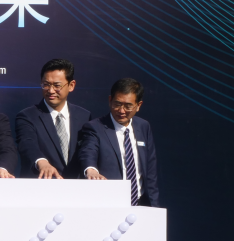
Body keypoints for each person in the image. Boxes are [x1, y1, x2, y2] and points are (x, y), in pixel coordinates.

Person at [78, 78, 159, 207]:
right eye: (117, 104)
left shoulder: (143, 126)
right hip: (109, 204)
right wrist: (91, 170)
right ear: (110, 100)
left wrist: (154, 208)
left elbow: (150, 173)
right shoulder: (95, 127)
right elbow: (88, 151)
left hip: (141, 204)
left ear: (138, 105)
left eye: (128, 106)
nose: (121, 111)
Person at [15, 59, 92, 179]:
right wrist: (42, 162)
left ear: (71, 85)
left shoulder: (84, 116)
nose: (51, 91)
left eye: (57, 85)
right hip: (42, 184)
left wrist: (91, 169)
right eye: (46, 85)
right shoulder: (27, 116)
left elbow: (89, 150)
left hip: (76, 187)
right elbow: (27, 144)